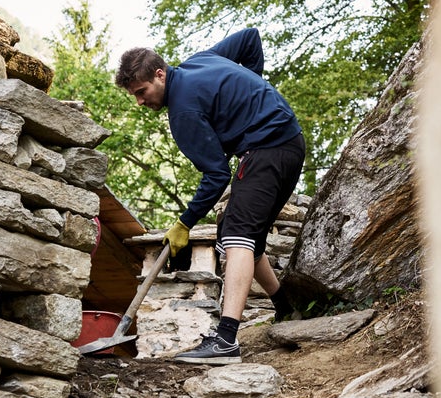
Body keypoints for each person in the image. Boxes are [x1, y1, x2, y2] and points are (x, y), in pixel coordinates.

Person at [115, 28, 305, 365]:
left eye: (142, 92)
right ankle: (287, 308)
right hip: (289, 144)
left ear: (160, 74)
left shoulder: (183, 112)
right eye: (135, 95)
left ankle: (226, 340)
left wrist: (184, 223)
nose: (140, 101)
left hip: (266, 148)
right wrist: (251, 95)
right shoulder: (201, 61)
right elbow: (251, 38)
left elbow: (216, 175)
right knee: (241, 231)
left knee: (236, 236)